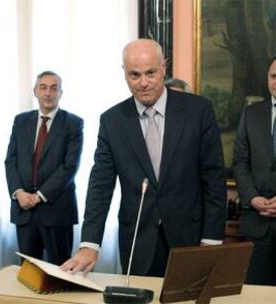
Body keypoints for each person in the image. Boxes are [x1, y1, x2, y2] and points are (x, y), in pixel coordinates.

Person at [61, 39, 227, 277]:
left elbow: (213, 179)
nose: (143, 83)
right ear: (124, 74)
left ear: (163, 67)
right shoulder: (112, 121)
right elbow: (100, 186)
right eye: (134, 75)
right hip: (138, 241)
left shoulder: (198, 111)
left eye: (150, 73)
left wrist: (211, 240)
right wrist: (89, 244)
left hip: (189, 238)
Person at [5, 71, 83, 265]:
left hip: (56, 211)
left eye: (53, 88)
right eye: (43, 87)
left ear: (61, 93)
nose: (48, 93)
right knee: (29, 273)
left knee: (60, 273)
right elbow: (10, 160)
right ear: (35, 91)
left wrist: (39, 196)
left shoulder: (73, 123)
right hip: (24, 210)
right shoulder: (21, 121)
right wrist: (19, 192)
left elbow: (69, 167)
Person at [233, 56, 276, 285]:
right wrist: (252, 197)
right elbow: (240, 162)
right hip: (257, 225)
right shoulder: (251, 113)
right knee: (256, 294)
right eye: (273, 76)